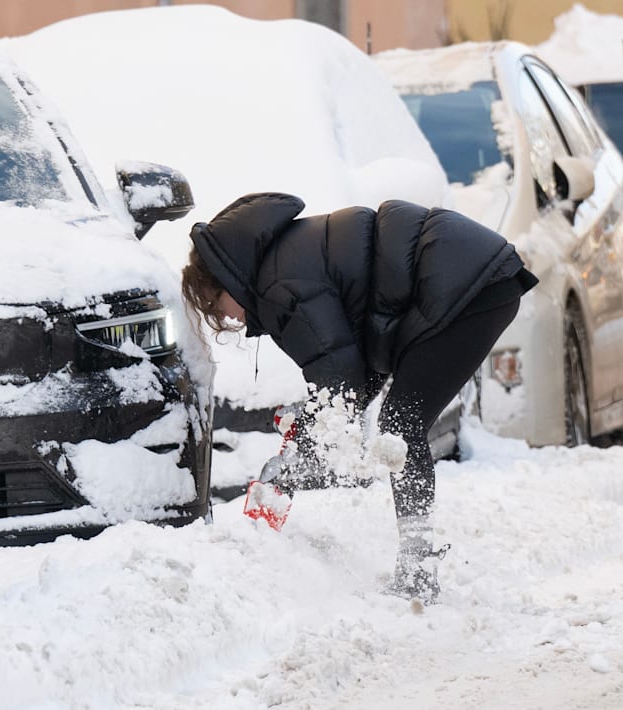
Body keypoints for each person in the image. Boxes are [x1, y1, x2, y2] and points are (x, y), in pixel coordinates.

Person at [182, 192, 537, 602]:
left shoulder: (278, 286)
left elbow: (340, 379)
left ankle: (417, 569)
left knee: (401, 428)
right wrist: (307, 438)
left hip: (467, 282)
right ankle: (416, 566)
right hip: (472, 272)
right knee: (399, 424)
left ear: (228, 280)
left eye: (216, 303)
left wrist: (290, 463)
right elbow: (356, 374)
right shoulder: (281, 267)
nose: (225, 317)